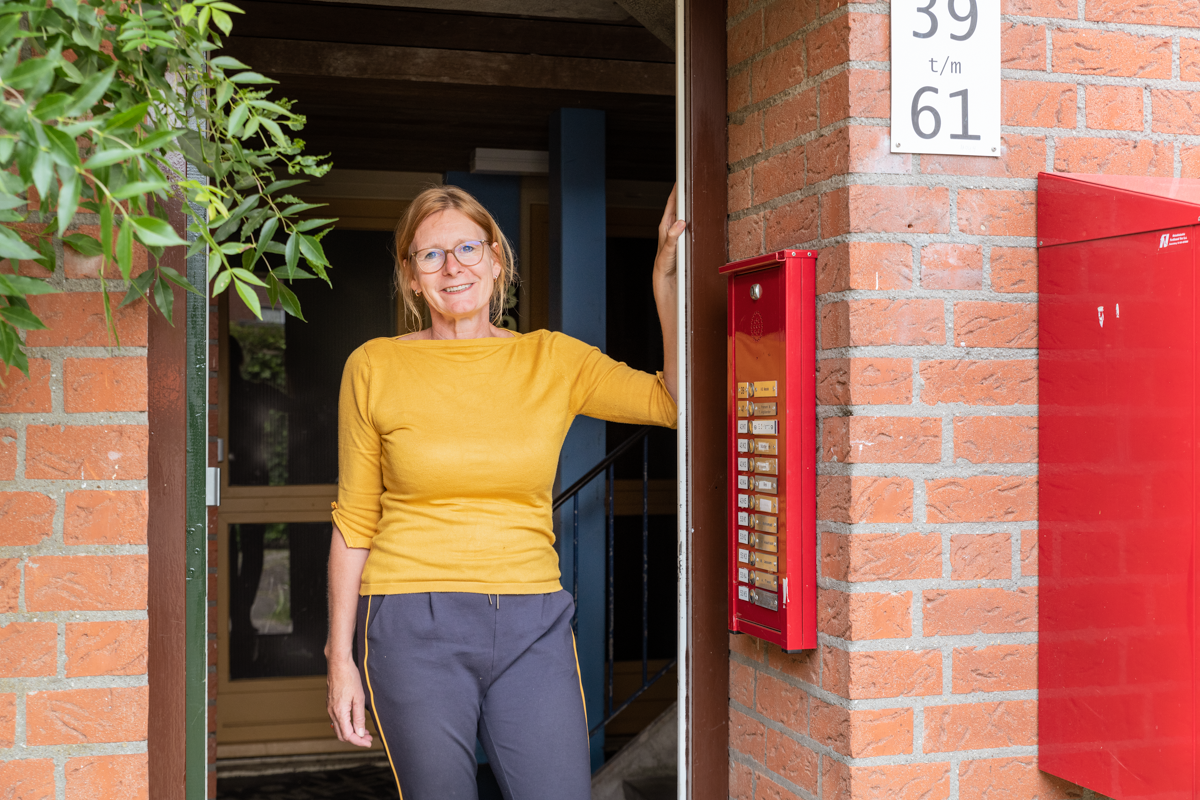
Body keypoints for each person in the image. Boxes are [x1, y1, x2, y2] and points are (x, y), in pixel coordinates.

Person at [324, 184, 685, 800]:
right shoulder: (373, 366)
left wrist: (665, 286)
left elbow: (671, 403)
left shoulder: (552, 359)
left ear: (497, 259)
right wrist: (339, 658)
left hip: (531, 619)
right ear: (411, 278)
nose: (453, 267)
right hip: (413, 621)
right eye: (430, 256)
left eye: (468, 247)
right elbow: (355, 521)